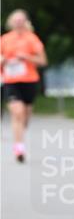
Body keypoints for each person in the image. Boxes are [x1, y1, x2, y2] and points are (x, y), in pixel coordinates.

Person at [0, 10, 48, 162]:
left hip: (29, 81)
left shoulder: (32, 39)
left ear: (26, 22)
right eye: (16, 21)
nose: (18, 23)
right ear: (10, 23)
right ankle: (19, 148)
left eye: (21, 20)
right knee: (17, 113)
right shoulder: (4, 39)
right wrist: (3, 60)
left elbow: (43, 61)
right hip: (11, 81)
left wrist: (26, 57)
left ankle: (21, 130)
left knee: (25, 116)